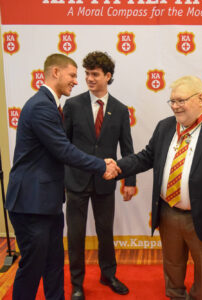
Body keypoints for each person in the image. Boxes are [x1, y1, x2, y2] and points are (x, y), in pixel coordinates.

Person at [116, 75, 202, 300]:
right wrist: (116, 167)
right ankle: (175, 295)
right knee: (172, 264)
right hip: (168, 211)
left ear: (201, 98)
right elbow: (145, 157)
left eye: (181, 100)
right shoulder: (166, 125)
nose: (175, 106)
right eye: (171, 101)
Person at [5, 53, 120, 300]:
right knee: (33, 268)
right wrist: (102, 165)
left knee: (54, 263)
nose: (76, 81)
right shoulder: (41, 107)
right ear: (55, 72)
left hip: (47, 202)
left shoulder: (49, 104)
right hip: (31, 203)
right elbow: (63, 149)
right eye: (72, 75)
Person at [63, 51, 136, 300]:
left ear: (108, 76)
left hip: (106, 182)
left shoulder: (120, 109)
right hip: (76, 181)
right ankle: (76, 284)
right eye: (86, 74)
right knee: (75, 234)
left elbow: (127, 148)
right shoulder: (72, 105)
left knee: (106, 231)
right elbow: (63, 144)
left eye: (95, 74)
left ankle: (108, 275)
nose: (89, 78)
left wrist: (130, 181)